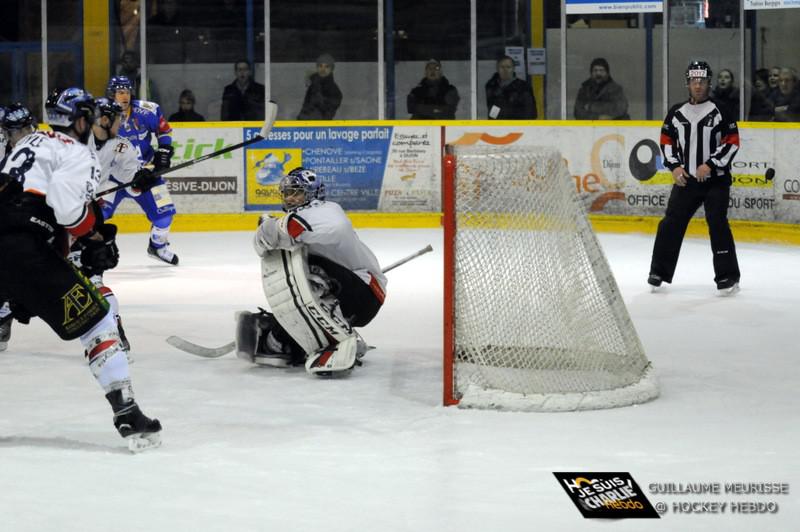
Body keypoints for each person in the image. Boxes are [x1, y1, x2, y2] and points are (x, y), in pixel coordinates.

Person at [0, 92, 161, 450]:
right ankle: (127, 413)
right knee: (98, 322)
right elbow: (67, 211)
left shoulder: (29, 141)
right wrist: (93, 237)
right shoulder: (77, 152)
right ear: (83, 120)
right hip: (23, 248)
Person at [237, 167, 386, 375]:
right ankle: (286, 337)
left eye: (296, 192)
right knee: (296, 264)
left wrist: (273, 228)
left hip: (366, 293)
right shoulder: (304, 215)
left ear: (314, 193)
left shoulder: (327, 210)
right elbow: (267, 244)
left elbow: (334, 227)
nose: (290, 198)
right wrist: (273, 229)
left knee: (307, 267)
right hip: (350, 293)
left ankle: (327, 333)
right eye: (287, 193)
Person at [648, 61, 741, 296]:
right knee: (670, 223)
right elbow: (666, 141)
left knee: (717, 223)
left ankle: (728, 276)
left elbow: (732, 142)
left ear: (709, 83)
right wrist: (675, 167)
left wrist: (710, 165)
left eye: (702, 81)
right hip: (686, 181)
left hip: (716, 181)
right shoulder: (676, 112)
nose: (698, 85)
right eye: (693, 81)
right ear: (687, 83)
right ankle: (658, 271)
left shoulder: (722, 110)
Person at [107, 75, 180, 265]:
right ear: (111, 95)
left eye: (126, 92)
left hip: (145, 174)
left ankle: (158, 246)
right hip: (112, 177)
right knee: (97, 216)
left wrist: (164, 150)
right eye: (119, 92)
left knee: (165, 216)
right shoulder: (101, 116)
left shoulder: (148, 110)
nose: (124, 96)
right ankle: (79, 250)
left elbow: (164, 130)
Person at [484, 55, 537, 120]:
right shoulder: (492, 86)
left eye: (508, 67)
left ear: (513, 68)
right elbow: (492, 111)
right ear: (497, 69)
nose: (505, 70)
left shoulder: (524, 87)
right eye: (502, 67)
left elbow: (530, 112)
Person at [297, 53, 343, 120]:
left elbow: (327, 115)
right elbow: (304, 110)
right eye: (320, 66)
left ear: (332, 69)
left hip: (320, 126)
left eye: (327, 66)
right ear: (317, 67)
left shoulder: (335, 92)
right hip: (305, 125)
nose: (323, 69)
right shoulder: (312, 86)